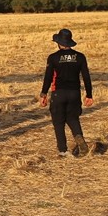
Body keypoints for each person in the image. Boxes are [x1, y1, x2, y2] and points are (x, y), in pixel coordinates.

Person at [39, 28, 94, 157]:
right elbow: (86, 77)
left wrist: (43, 94)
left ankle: (63, 151)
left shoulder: (53, 58)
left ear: (58, 42)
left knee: (58, 122)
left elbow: (48, 77)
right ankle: (79, 137)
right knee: (73, 118)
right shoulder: (80, 57)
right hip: (74, 93)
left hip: (58, 94)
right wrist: (89, 95)